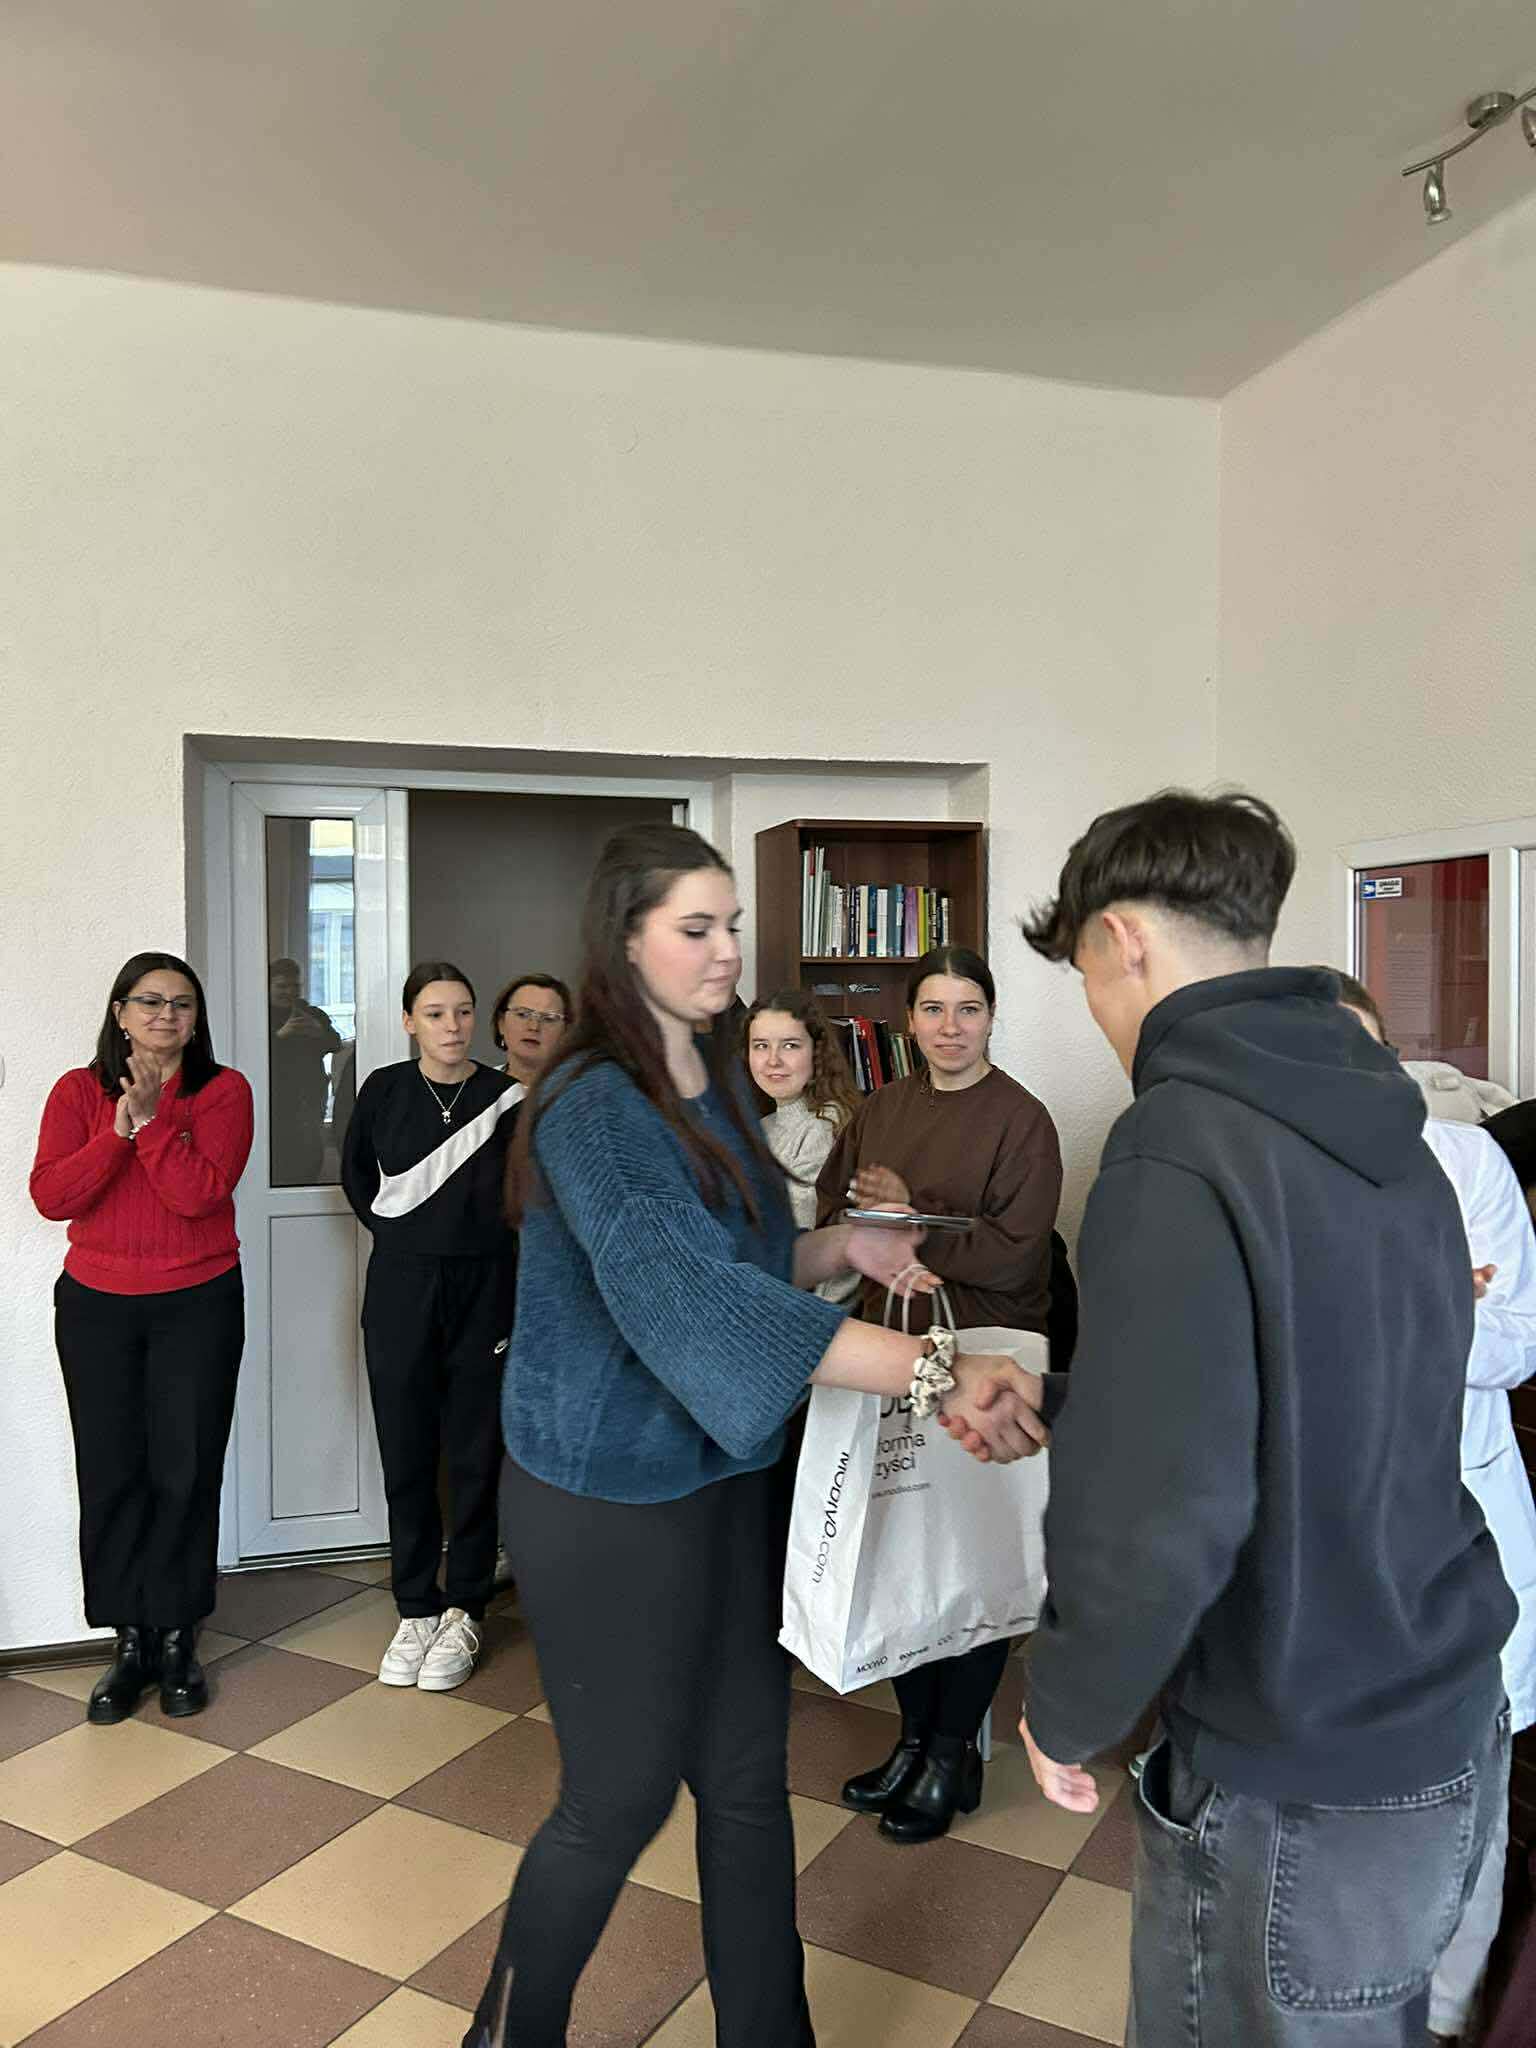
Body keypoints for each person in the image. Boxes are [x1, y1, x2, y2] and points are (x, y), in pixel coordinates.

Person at [464, 822, 1044, 2048]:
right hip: (605, 1501)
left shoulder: (716, 1075)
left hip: (725, 1474)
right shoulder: (593, 1104)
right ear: (626, 941)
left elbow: (743, 1263)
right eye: (696, 927)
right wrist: (935, 1368)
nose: (727, 949)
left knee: (742, 1784)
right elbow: (694, 1302)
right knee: (617, 1797)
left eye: (730, 923)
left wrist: (840, 1245)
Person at [1014, 789, 1514, 2048]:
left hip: (1300, 1761)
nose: (1101, 1013)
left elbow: (1164, 1511)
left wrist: (1066, 1701)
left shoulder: (1175, 1142)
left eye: (1086, 977)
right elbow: (1337, 1383)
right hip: (1448, 1709)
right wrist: (1077, 1400)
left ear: (1123, 937)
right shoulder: (1389, 1118)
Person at [814, 944, 1063, 1843]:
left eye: (968, 1009)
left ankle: (954, 1748)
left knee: (975, 1559)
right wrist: (877, 1226)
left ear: (992, 1017)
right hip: (892, 1346)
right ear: (908, 1020)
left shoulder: (1022, 1119)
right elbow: (834, 1217)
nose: (950, 1027)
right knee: (901, 1551)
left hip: (991, 1356)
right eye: (933, 1009)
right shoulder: (882, 1108)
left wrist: (910, 1225)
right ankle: (916, 1740)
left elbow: (1017, 1255)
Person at [1334, 972, 1536, 2045]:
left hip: (1467, 1502)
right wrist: (1438, 1296)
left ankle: (1450, 2017)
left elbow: (1516, 1344)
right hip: (1338, 1531)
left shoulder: (1468, 1162)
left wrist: (1399, 1310)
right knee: (1353, 1804)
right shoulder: (1271, 1178)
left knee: (1473, 1793)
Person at [29, 952, 253, 1723]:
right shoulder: (76, 1091)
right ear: (120, 1013)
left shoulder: (224, 1091)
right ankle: (130, 1643)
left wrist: (154, 1123)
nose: (166, 1015)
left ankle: (178, 1637)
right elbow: (52, 1195)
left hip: (198, 1303)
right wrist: (118, 1130)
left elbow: (199, 1197)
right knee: (112, 1471)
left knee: (185, 1471)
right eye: (150, 1001)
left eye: (181, 1003)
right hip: (97, 1307)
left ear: (196, 1018)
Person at [341, 962, 521, 1693]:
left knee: (476, 1451)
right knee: (407, 1449)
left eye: (464, 1011)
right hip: (401, 1286)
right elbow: (358, 1178)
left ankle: (465, 1605)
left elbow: (526, 1198)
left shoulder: (507, 1098)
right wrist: (410, 1240)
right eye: (437, 1012)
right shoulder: (382, 1090)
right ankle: (415, 1605)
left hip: (487, 1289)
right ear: (409, 1021)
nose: (452, 1026)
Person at [744, 989, 860, 1229]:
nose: (773, 1060)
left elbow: (795, 1225)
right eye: (761, 1045)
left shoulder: (825, 1123)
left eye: (790, 1045)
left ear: (817, 1052)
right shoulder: (763, 1125)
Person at [267, 956, 343, 1183]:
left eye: (295, 986)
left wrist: (318, 1031)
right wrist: (280, 1035)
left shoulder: (312, 1014)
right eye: (282, 986)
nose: (289, 992)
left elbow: (336, 1043)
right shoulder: (259, 1016)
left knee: (310, 1157)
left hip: (310, 1101)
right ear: (268, 986)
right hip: (273, 1103)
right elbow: (251, 1053)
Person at [491, 972, 571, 1088]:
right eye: (522, 1014)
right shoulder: (474, 1089)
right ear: (501, 1023)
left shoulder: (578, 1093)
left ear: (565, 1031)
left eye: (548, 1018)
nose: (534, 1027)